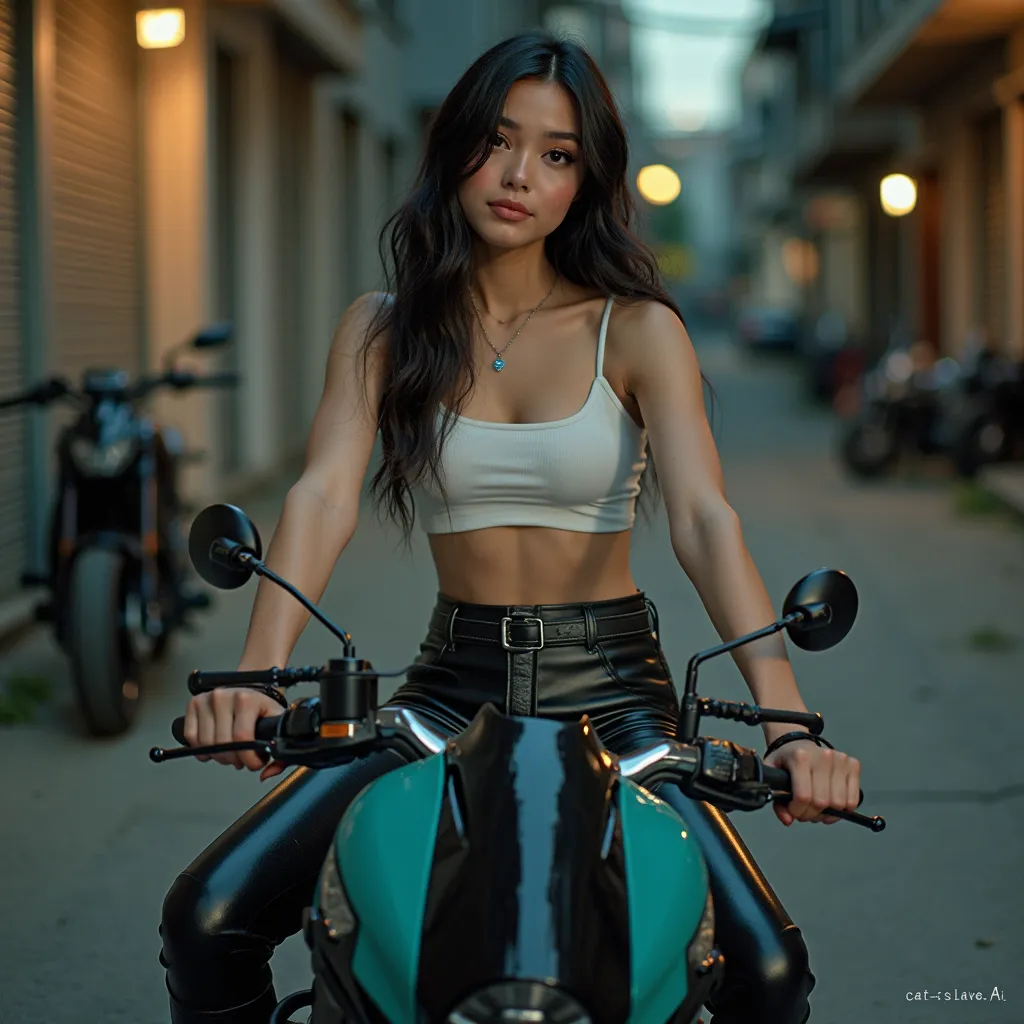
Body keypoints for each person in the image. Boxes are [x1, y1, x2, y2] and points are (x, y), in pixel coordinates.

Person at [159, 32, 862, 1024]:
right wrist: (253, 676)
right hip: (448, 690)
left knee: (769, 974)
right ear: (455, 148)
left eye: (557, 153)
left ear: (586, 180)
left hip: (618, 696)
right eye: (498, 140)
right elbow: (322, 495)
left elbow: (706, 520)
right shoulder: (382, 327)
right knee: (209, 915)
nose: (520, 174)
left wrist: (786, 721)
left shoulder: (637, 328)